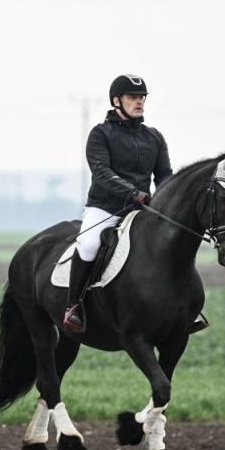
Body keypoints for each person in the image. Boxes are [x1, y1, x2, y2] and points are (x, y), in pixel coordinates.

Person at [63, 74, 173, 334]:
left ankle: (184, 307)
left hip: (142, 210)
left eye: (142, 98)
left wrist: (166, 202)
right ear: (116, 101)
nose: (139, 102)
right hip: (105, 209)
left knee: (170, 243)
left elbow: (165, 176)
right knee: (88, 244)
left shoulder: (154, 137)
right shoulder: (100, 134)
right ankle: (73, 306)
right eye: (133, 97)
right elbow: (101, 172)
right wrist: (134, 193)